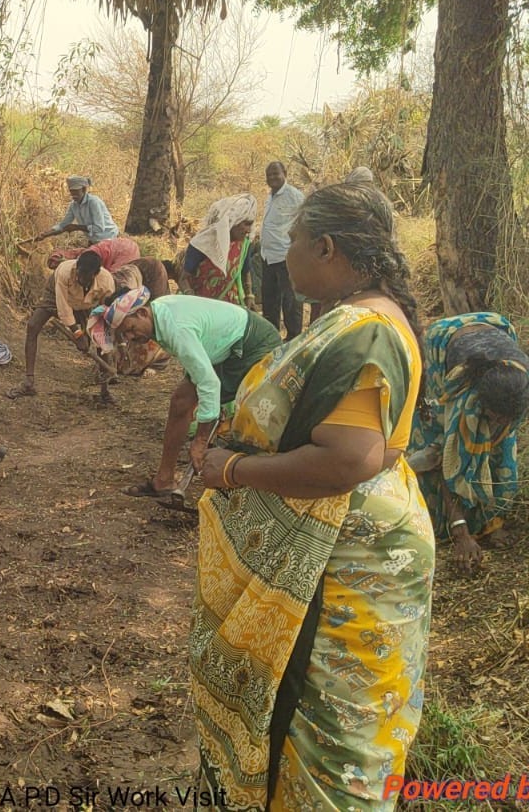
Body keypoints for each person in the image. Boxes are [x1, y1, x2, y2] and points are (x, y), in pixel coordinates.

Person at [193, 182, 431, 809]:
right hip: (362, 540)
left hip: (345, 558)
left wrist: (233, 470)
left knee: (324, 718)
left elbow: (347, 460)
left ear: (325, 247)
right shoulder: (367, 320)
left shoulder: (364, 332)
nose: (286, 250)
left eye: (293, 239)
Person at [88, 289, 279, 498]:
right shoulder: (158, 314)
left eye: (131, 329)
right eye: (126, 335)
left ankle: (248, 485)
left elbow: (209, 384)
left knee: (248, 413)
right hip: (219, 346)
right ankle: (164, 480)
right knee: (181, 402)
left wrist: (200, 440)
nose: (131, 337)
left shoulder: (174, 327)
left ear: (142, 313)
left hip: (252, 342)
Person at [407, 313, 529, 572]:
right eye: (493, 419)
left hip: (494, 327)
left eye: (503, 421)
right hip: (444, 343)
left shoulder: (520, 389)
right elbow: (448, 458)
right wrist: (461, 534)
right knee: (435, 445)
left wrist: (495, 520)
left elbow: (500, 442)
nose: (496, 427)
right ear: (481, 405)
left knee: (503, 451)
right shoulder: (464, 396)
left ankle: (491, 520)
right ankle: (459, 522)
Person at [7, 250, 114, 398]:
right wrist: (77, 333)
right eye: (79, 273)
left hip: (84, 304)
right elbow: (63, 308)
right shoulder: (65, 272)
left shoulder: (106, 281)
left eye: (85, 276)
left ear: (95, 274)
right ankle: (28, 382)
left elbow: (104, 313)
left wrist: (100, 338)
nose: (80, 278)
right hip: (56, 294)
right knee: (32, 326)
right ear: (77, 267)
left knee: (101, 338)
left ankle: (105, 390)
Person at [178, 193, 256, 306]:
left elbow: (245, 271)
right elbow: (184, 279)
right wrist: (193, 302)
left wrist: (249, 295)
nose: (249, 230)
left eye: (251, 225)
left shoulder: (243, 245)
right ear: (232, 222)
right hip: (200, 304)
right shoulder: (202, 244)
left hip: (229, 304)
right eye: (246, 225)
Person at [259, 161, 306, 338]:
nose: (272, 178)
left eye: (275, 174)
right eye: (269, 175)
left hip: (286, 257)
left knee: (291, 301)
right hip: (267, 257)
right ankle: (271, 339)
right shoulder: (269, 196)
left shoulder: (295, 196)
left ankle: (294, 338)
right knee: (269, 301)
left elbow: (304, 223)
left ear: (285, 173)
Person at [30, 175, 119, 245]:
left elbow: (99, 228)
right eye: (71, 191)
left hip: (109, 238)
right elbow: (63, 225)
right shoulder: (73, 205)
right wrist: (45, 234)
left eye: (76, 191)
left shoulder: (93, 202)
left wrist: (76, 227)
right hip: (94, 241)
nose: (73, 195)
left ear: (83, 189)